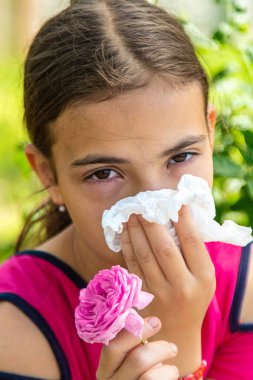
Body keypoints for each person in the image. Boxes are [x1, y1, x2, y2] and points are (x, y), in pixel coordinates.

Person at [0, 0, 252, 379]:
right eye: (104, 173)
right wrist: (171, 339)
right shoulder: (14, 327)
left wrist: (179, 336)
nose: (153, 207)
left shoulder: (245, 286)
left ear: (210, 133)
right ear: (48, 174)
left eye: (181, 156)